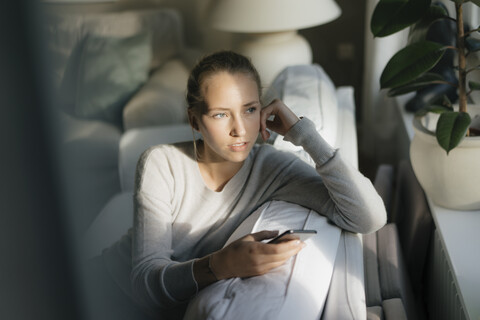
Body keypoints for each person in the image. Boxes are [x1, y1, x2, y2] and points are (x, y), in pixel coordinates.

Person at [98, 50, 386, 319]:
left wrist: (304, 133)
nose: (239, 129)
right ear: (195, 120)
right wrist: (218, 266)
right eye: (221, 114)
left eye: (249, 110)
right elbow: (144, 283)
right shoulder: (162, 163)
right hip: (102, 290)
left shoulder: (273, 168)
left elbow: (369, 217)